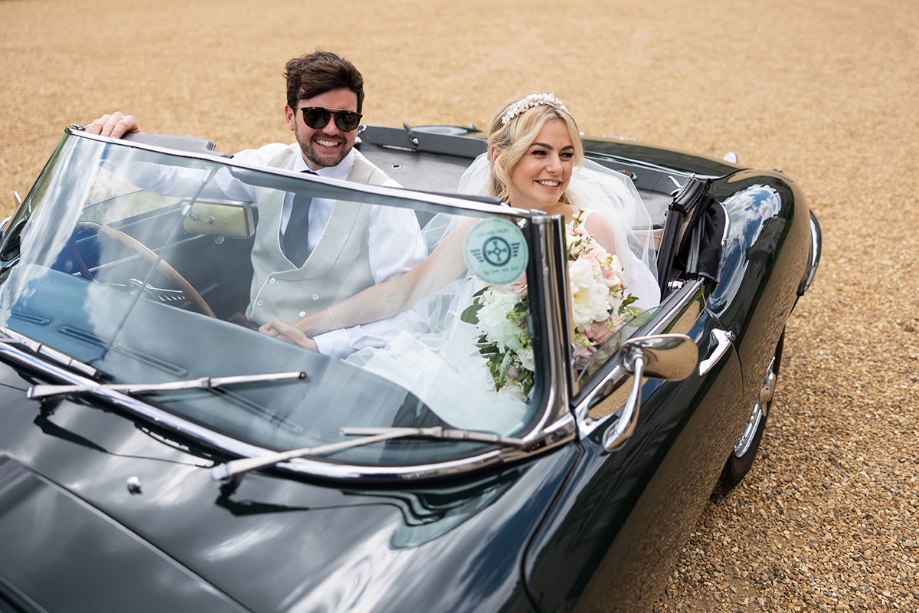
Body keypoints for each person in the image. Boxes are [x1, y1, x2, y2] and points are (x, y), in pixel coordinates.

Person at [85, 50, 427, 359]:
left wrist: (322, 346)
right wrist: (121, 143)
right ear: (290, 117)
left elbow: (412, 311)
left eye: (346, 119)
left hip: (333, 365)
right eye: (317, 116)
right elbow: (177, 179)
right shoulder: (267, 163)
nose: (332, 130)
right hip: (253, 339)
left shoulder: (386, 198)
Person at [261, 93, 659, 356]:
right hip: (481, 373)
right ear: (500, 156)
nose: (557, 168)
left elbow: (617, 330)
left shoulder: (593, 229)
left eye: (567, 154)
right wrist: (308, 329)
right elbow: (401, 292)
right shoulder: (479, 229)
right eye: (539, 152)